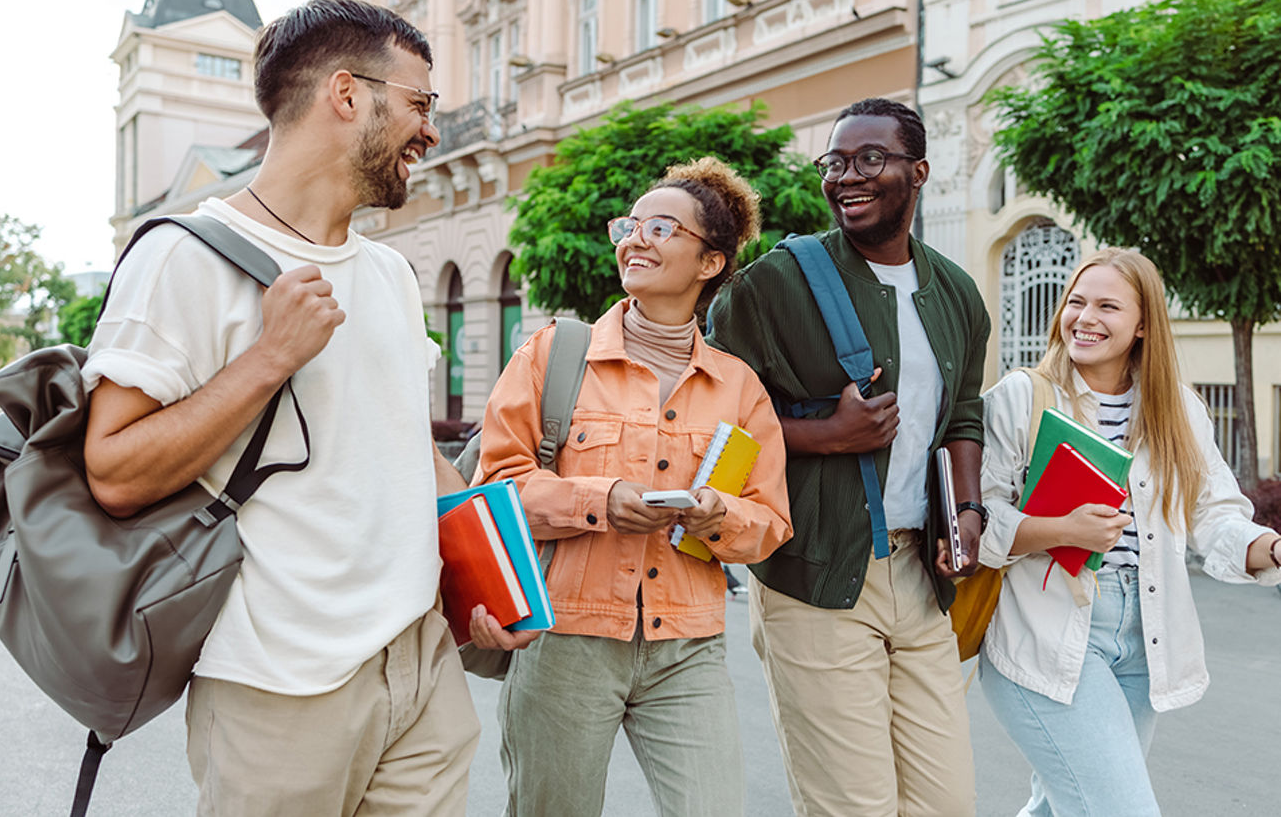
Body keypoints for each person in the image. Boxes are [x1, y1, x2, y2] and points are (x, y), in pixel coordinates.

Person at [82, 0, 481, 816]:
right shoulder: (180, 256)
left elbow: (409, 453)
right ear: (346, 94)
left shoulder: (391, 275)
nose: (430, 131)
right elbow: (114, 472)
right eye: (419, 104)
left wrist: (483, 580)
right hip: (279, 685)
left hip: (421, 667)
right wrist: (269, 360)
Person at [473, 157, 793, 816]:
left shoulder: (738, 386)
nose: (635, 239)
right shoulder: (553, 353)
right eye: (631, 224)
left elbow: (770, 522)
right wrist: (600, 501)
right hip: (564, 640)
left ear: (711, 262)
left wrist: (715, 514)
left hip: (688, 650)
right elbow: (498, 486)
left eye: (661, 228)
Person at [708, 97, 990, 817]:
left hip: (921, 578)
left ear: (918, 171)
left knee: (947, 802)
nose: (846, 177)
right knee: (854, 807)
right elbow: (711, 418)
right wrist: (825, 435)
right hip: (816, 574)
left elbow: (963, 412)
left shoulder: (957, 293)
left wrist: (966, 512)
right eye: (835, 162)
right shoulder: (776, 282)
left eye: (870, 159)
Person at [978, 247, 1281, 816]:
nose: (1085, 317)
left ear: (1143, 325)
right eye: (1077, 302)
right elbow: (976, 522)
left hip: (1145, 639)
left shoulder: (1177, 410)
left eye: (1108, 307)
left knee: (1064, 806)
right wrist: (1060, 529)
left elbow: (1213, 514)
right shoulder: (1021, 398)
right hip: (1046, 635)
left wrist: (1270, 548)